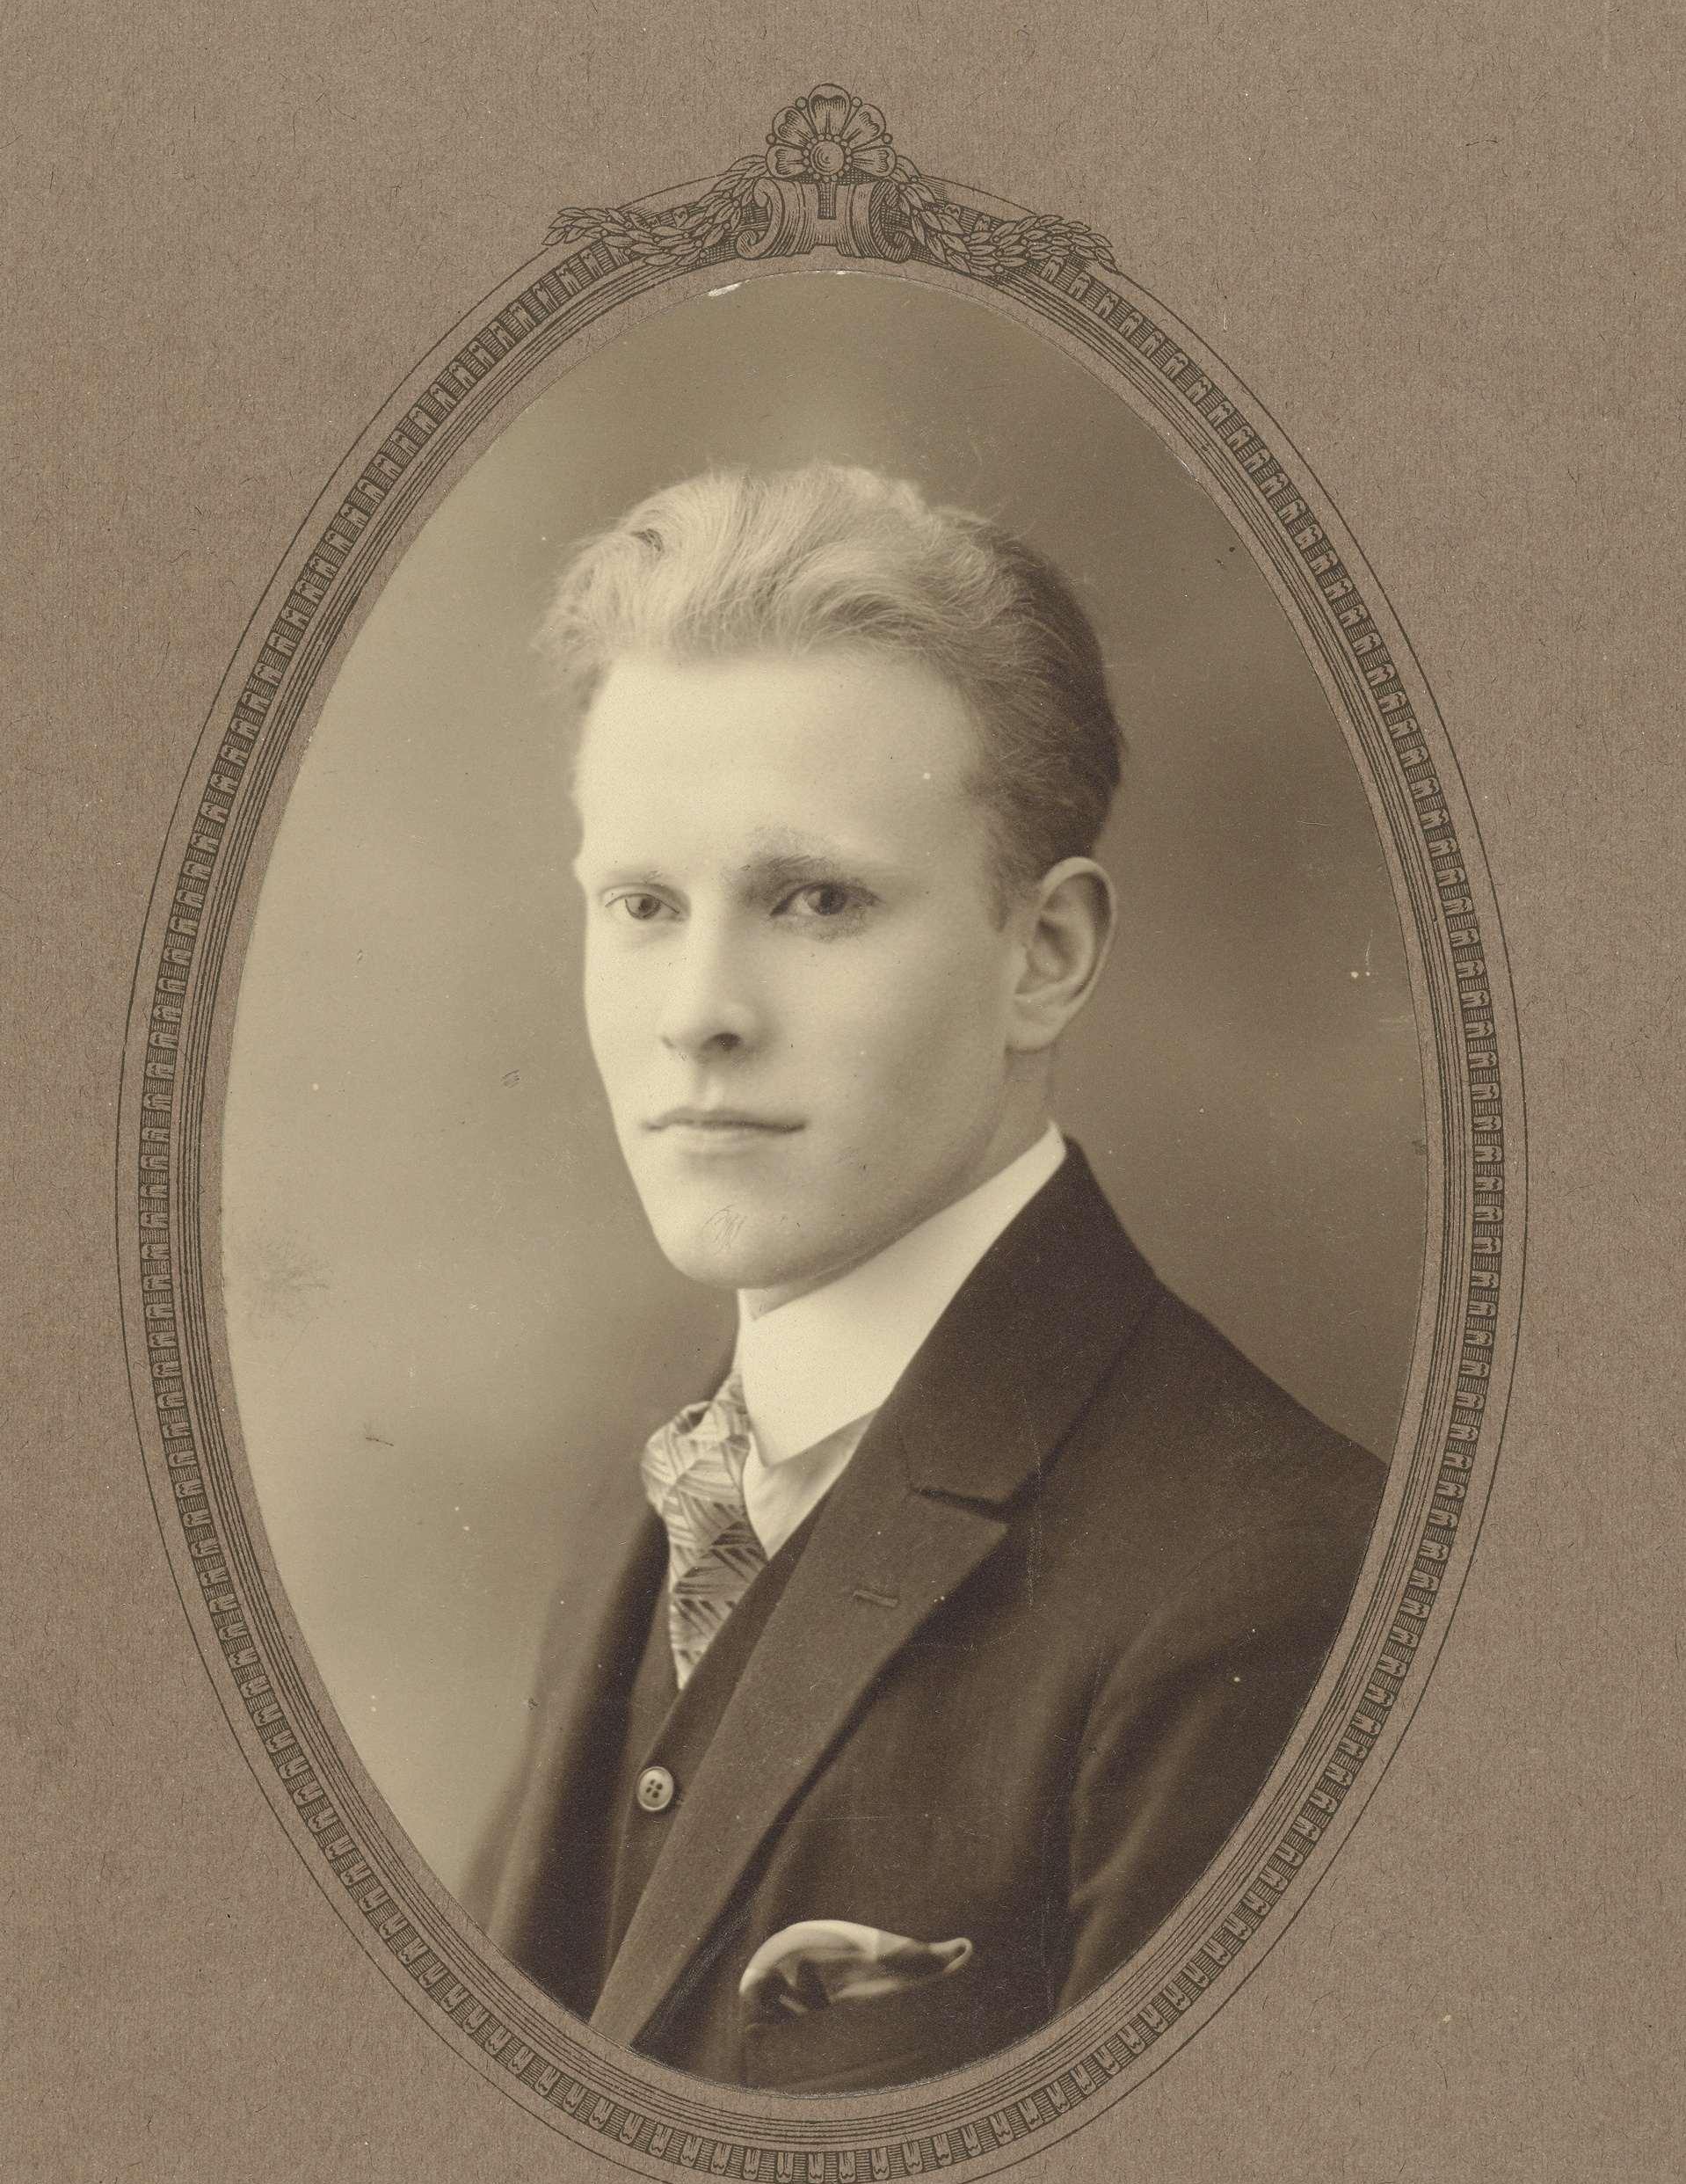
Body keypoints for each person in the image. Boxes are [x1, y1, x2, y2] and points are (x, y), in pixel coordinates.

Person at [482, 463, 1384, 2095]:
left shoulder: (1272, 1588)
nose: (697, 1013)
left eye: (814, 900)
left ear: (1045, 954)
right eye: (642, 904)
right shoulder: (649, 1512)